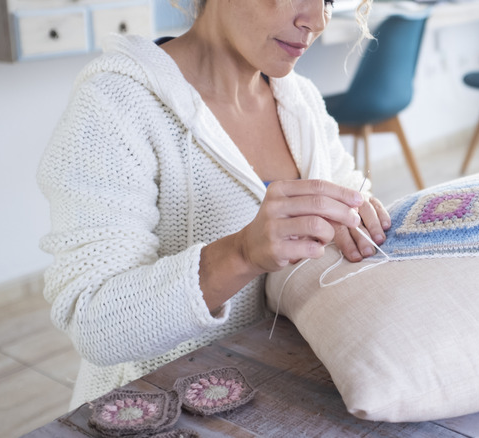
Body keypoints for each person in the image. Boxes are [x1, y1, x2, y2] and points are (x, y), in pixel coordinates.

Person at [37, 0, 388, 408]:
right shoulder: (115, 107)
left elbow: (348, 194)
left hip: (277, 394)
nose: (317, 20)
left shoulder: (302, 102)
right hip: (157, 410)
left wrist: (361, 215)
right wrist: (240, 255)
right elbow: (94, 322)